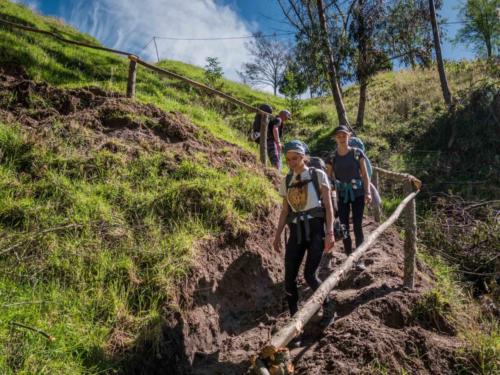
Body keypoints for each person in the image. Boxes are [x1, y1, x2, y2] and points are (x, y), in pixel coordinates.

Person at [273, 140, 335, 324]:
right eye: (289, 159)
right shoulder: (286, 181)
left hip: (316, 230)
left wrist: (330, 232)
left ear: (303, 157)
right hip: (295, 232)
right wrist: (277, 235)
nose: (292, 162)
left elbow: (329, 208)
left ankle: (328, 308)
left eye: (295, 158)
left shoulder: (318, 175)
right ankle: (294, 321)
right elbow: (285, 211)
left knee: (310, 275)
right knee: (289, 279)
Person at [326, 125, 372, 256]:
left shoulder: (357, 153)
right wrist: (330, 197)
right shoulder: (332, 157)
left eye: (344, 135)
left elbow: (365, 174)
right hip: (341, 195)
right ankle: (348, 254)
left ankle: (359, 256)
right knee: (344, 225)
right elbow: (328, 179)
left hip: (358, 193)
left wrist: (368, 192)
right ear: (335, 138)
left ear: (349, 136)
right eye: (339, 136)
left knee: (357, 225)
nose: (342, 138)